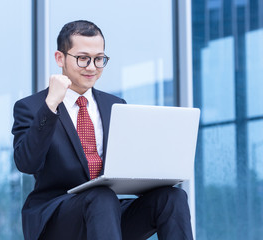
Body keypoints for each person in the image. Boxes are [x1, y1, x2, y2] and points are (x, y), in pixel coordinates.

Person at [12, 20, 193, 240]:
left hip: (106, 213)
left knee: (172, 198)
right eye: (83, 58)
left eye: (99, 59)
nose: (92, 67)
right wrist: (50, 106)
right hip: (56, 215)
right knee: (101, 196)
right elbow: (26, 163)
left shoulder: (114, 105)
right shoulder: (32, 107)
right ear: (60, 58)